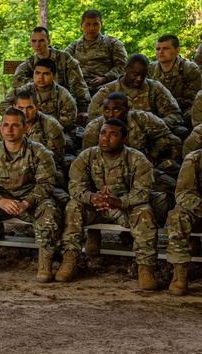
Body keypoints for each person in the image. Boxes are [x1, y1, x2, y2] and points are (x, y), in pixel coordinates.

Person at [57, 119, 158, 288]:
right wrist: (91, 197)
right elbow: (75, 185)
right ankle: (69, 260)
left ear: (124, 140)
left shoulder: (137, 159)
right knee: (73, 206)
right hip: (95, 206)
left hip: (123, 208)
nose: (105, 138)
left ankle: (145, 268)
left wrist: (120, 201)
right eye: (103, 133)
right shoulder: (87, 155)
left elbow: (143, 191)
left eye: (113, 134)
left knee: (144, 212)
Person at [0, 108, 61, 282]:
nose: (9, 130)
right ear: (0, 128)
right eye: (6, 125)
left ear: (25, 129)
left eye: (15, 125)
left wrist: (26, 202)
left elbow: (46, 184)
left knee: (49, 210)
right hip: (0, 203)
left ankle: (45, 262)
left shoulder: (39, 152)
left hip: (29, 203)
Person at [12, 27, 91, 123]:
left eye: (41, 40)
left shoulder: (63, 58)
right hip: (38, 106)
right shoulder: (31, 61)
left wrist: (83, 108)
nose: (37, 45)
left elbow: (78, 83)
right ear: (30, 43)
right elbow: (16, 80)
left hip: (62, 105)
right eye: (34, 41)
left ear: (48, 41)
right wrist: (39, 82)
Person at [88, 54, 181, 133]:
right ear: (125, 69)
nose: (139, 79)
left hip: (151, 135)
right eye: (135, 74)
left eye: (143, 76)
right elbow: (93, 120)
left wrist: (155, 125)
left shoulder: (155, 88)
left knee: (180, 132)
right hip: (114, 138)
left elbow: (175, 115)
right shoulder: (107, 91)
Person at [82, 92, 179, 163]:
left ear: (127, 109)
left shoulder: (142, 119)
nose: (110, 114)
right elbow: (88, 159)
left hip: (140, 164)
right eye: (106, 110)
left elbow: (165, 135)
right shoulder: (94, 128)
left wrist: (152, 154)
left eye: (116, 110)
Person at [0, 58, 78, 132]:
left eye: (46, 74)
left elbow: (67, 122)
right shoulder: (24, 90)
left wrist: (39, 124)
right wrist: (18, 117)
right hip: (24, 128)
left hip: (52, 132)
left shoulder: (63, 95)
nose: (40, 77)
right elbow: (2, 106)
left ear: (54, 76)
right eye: (37, 73)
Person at [165, 147, 202, 296]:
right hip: (199, 211)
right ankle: (180, 272)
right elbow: (183, 193)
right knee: (178, 214)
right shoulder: (194, 159)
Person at [63, 9, 128, 93]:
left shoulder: (113, 44)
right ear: (81, 24)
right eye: (88, 24)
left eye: (95, 24)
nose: (92, 28)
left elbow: (122, 67)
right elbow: (60, 64)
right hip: (79, 91)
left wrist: (105, 78)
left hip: (105, 90)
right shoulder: (74, 47)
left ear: (101, 24)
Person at [148, 35, 200, 137]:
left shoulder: (189, 69)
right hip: (158, 111)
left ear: (177, 51)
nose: (160, 52)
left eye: (166, 48)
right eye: (158, 49)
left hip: (183, 112)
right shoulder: (150, 69)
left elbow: (194, 99)